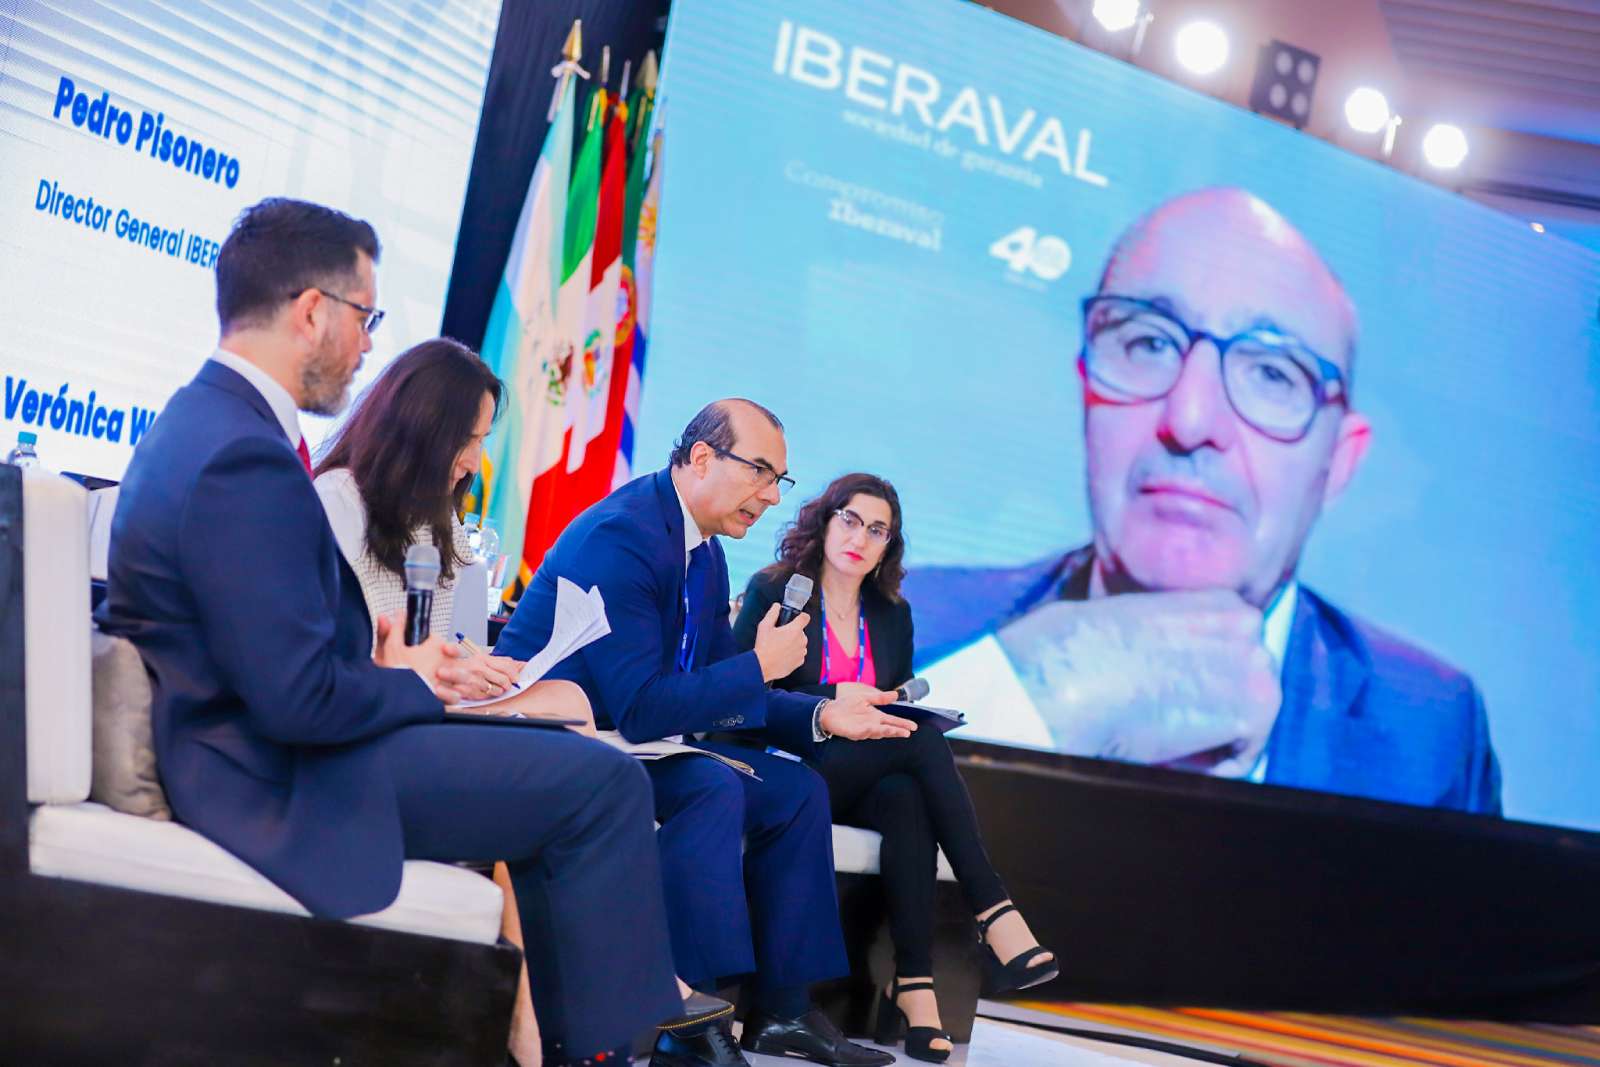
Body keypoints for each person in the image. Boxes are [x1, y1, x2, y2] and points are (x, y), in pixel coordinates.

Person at [95, 197, 729, 1067]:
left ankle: (588, 1043)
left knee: (577, 770)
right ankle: (611, 1048)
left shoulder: (210, 425)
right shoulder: (242, 453)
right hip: (271, 771)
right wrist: (420, 683)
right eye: (366, 316)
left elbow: (287, 664)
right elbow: (297, 697)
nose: (366, 344)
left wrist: (410, 674)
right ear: (312, 310)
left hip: (274, 746)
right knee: (601, 785)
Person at [909, 186, 1500, 814]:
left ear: (1339, 462)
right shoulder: (901, 628)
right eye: (1148, 343)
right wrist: (1029, 697)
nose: (1190, 419)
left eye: (1273, 372)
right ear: (1085, 385)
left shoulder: (1431, 728)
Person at [495, 400, 911, 1067]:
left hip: (634, 737)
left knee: (795, 788)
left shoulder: (704, 551)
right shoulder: (623, 537)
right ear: (699, 459)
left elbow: (720, 692)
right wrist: (759, 666)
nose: (772, 495)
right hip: (563, 735)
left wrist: (819, 712)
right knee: (711, 786)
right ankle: (683, 1023)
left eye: (781, 479)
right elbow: (641, 705)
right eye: (761, 472)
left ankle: (783, 1009)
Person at [311, 336, 599, 1063]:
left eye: (479, 440)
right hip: (378, 714)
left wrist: (482, 666)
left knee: (568, 704)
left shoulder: (443, 522)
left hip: (438, 704)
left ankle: (548, 1003)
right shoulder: (336, 502)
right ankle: (539, 1014)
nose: (473, 459)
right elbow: (337, 657)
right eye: (467, 439)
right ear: (423, 425)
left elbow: (457, 640)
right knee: (543, 779)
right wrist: (431, 666)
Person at [733, 473, 1057, 1063]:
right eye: (851, 520)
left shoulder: (890, 614)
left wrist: (886, 708)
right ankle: (994, 910)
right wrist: (833, 698)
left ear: (889, 546)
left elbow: (891, 710)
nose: (860, 537)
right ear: (826, 521)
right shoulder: (777, 590)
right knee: (922, 749)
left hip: (849, 772)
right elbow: (734, 699)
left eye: (877, 530)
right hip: (780, 768)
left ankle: (915, 987)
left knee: (908, 792)